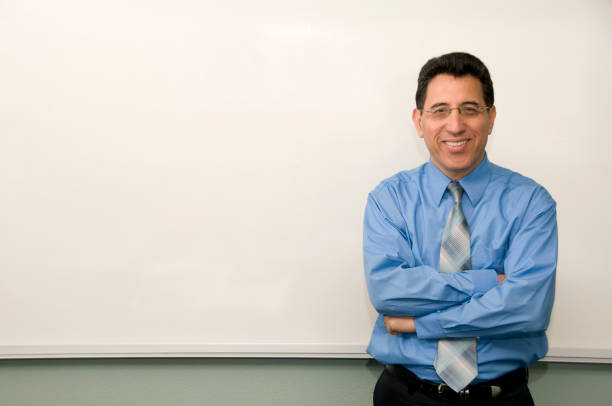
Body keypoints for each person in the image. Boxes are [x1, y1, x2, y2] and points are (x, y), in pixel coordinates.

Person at [363, 52, 557, 406]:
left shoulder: (531, 203)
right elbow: (388, 292)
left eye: (469, 108)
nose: (455, 125)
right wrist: (488, 283)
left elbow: (527, 308)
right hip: (405, 396)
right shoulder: (388, 200)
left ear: (490, 117)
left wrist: (420, 324)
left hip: (502, 398)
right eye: (440, 110)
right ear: (418, 121)